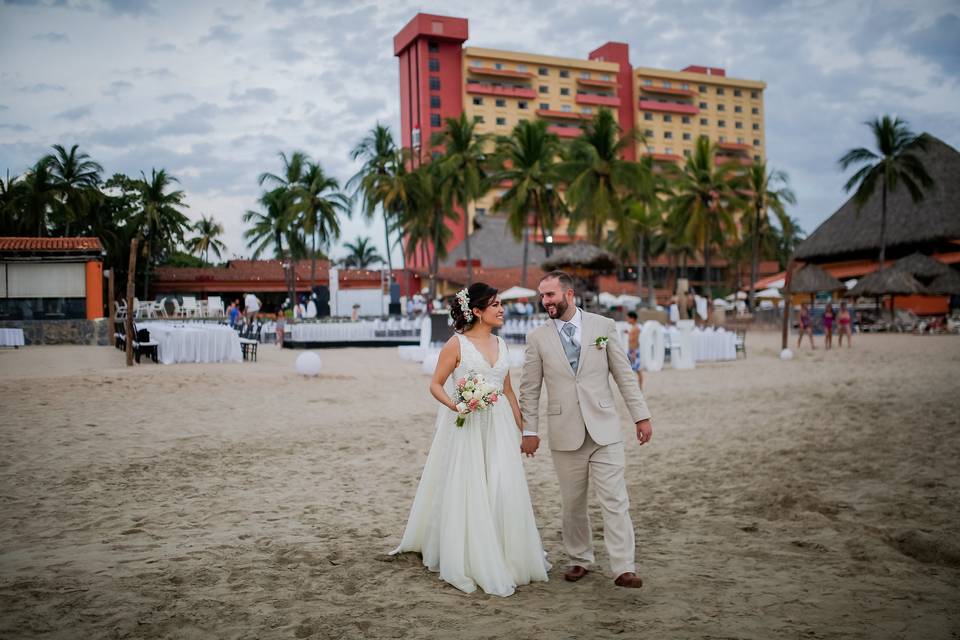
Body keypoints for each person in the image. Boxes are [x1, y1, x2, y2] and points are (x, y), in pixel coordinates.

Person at [392, 282, 549, 597]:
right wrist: (457, 404)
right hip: (468, 424)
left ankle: (505, 553)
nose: (501, 309)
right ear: (476, 311)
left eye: (500, 304)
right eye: (495, 305)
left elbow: (507, 391)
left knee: (504, 486)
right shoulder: (457, 344)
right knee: (471, 486)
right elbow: (436, 384)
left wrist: (525, 430)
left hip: (500, 424)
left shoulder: (502, 345)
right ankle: (471, 553)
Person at [519, 270, 653, 590]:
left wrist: (641, 417)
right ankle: (580, 559)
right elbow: (529, 389)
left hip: (605, 429)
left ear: (568, 295)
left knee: (615, 500)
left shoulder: (603, 327)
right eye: (541, 295)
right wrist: (529, 430)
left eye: (550, 295)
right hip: (564, 430)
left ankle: (623, 567)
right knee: (573, 504)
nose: (544, 301)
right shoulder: (537, 338)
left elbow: (624, 375)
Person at [625, 311, 644, 391]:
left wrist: (633, 352)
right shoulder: (634, 328)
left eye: (628, 318)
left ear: (633, 318)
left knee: (638, 370)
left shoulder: (636, 328)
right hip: (632, 351)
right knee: (634, 369)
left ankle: (640, 387)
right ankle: (637, 387)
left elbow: (635, 341)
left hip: (634, 351)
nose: (627, 320)